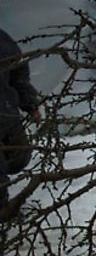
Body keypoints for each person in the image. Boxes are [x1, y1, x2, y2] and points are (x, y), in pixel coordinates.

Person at [0, 29, 40, 211]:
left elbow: (18, 71)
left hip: (7, 114)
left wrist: (30, 103)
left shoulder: (2, 39)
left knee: (19, 157)